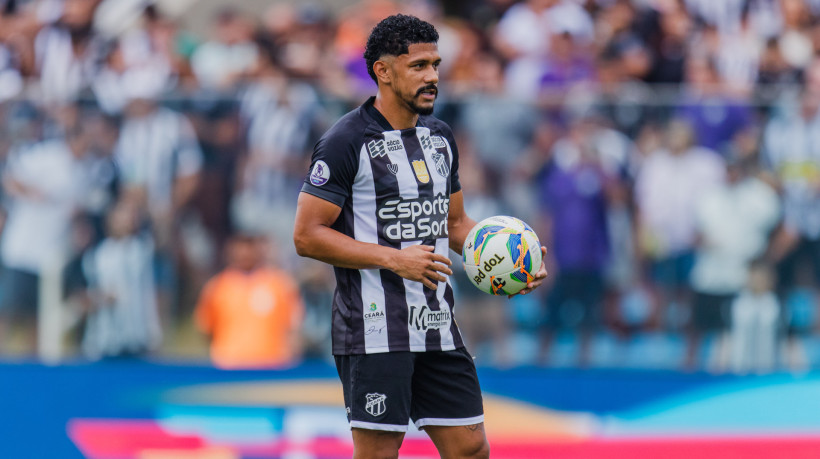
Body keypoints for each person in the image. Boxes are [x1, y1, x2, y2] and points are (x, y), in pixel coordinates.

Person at [293, 14, 547, 459]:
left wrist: (510, 261)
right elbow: (307, 235)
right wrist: (394, 259)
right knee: (378, 453)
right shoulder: (345, 141)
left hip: (436, 324)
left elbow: (455, 225)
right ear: (383, 71)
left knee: (471, 448)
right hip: (374, 329)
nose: (432, 77)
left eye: (436, 64)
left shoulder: (440, 137)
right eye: (419, 66)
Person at [195, 231, 304, 369]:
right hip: (229, 367)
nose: (245, 253)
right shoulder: (216, 287)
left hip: (273, 367)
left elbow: (294, 327)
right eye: (240, 248)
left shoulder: (281, 285)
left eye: (249, 247)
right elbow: (206, 329)